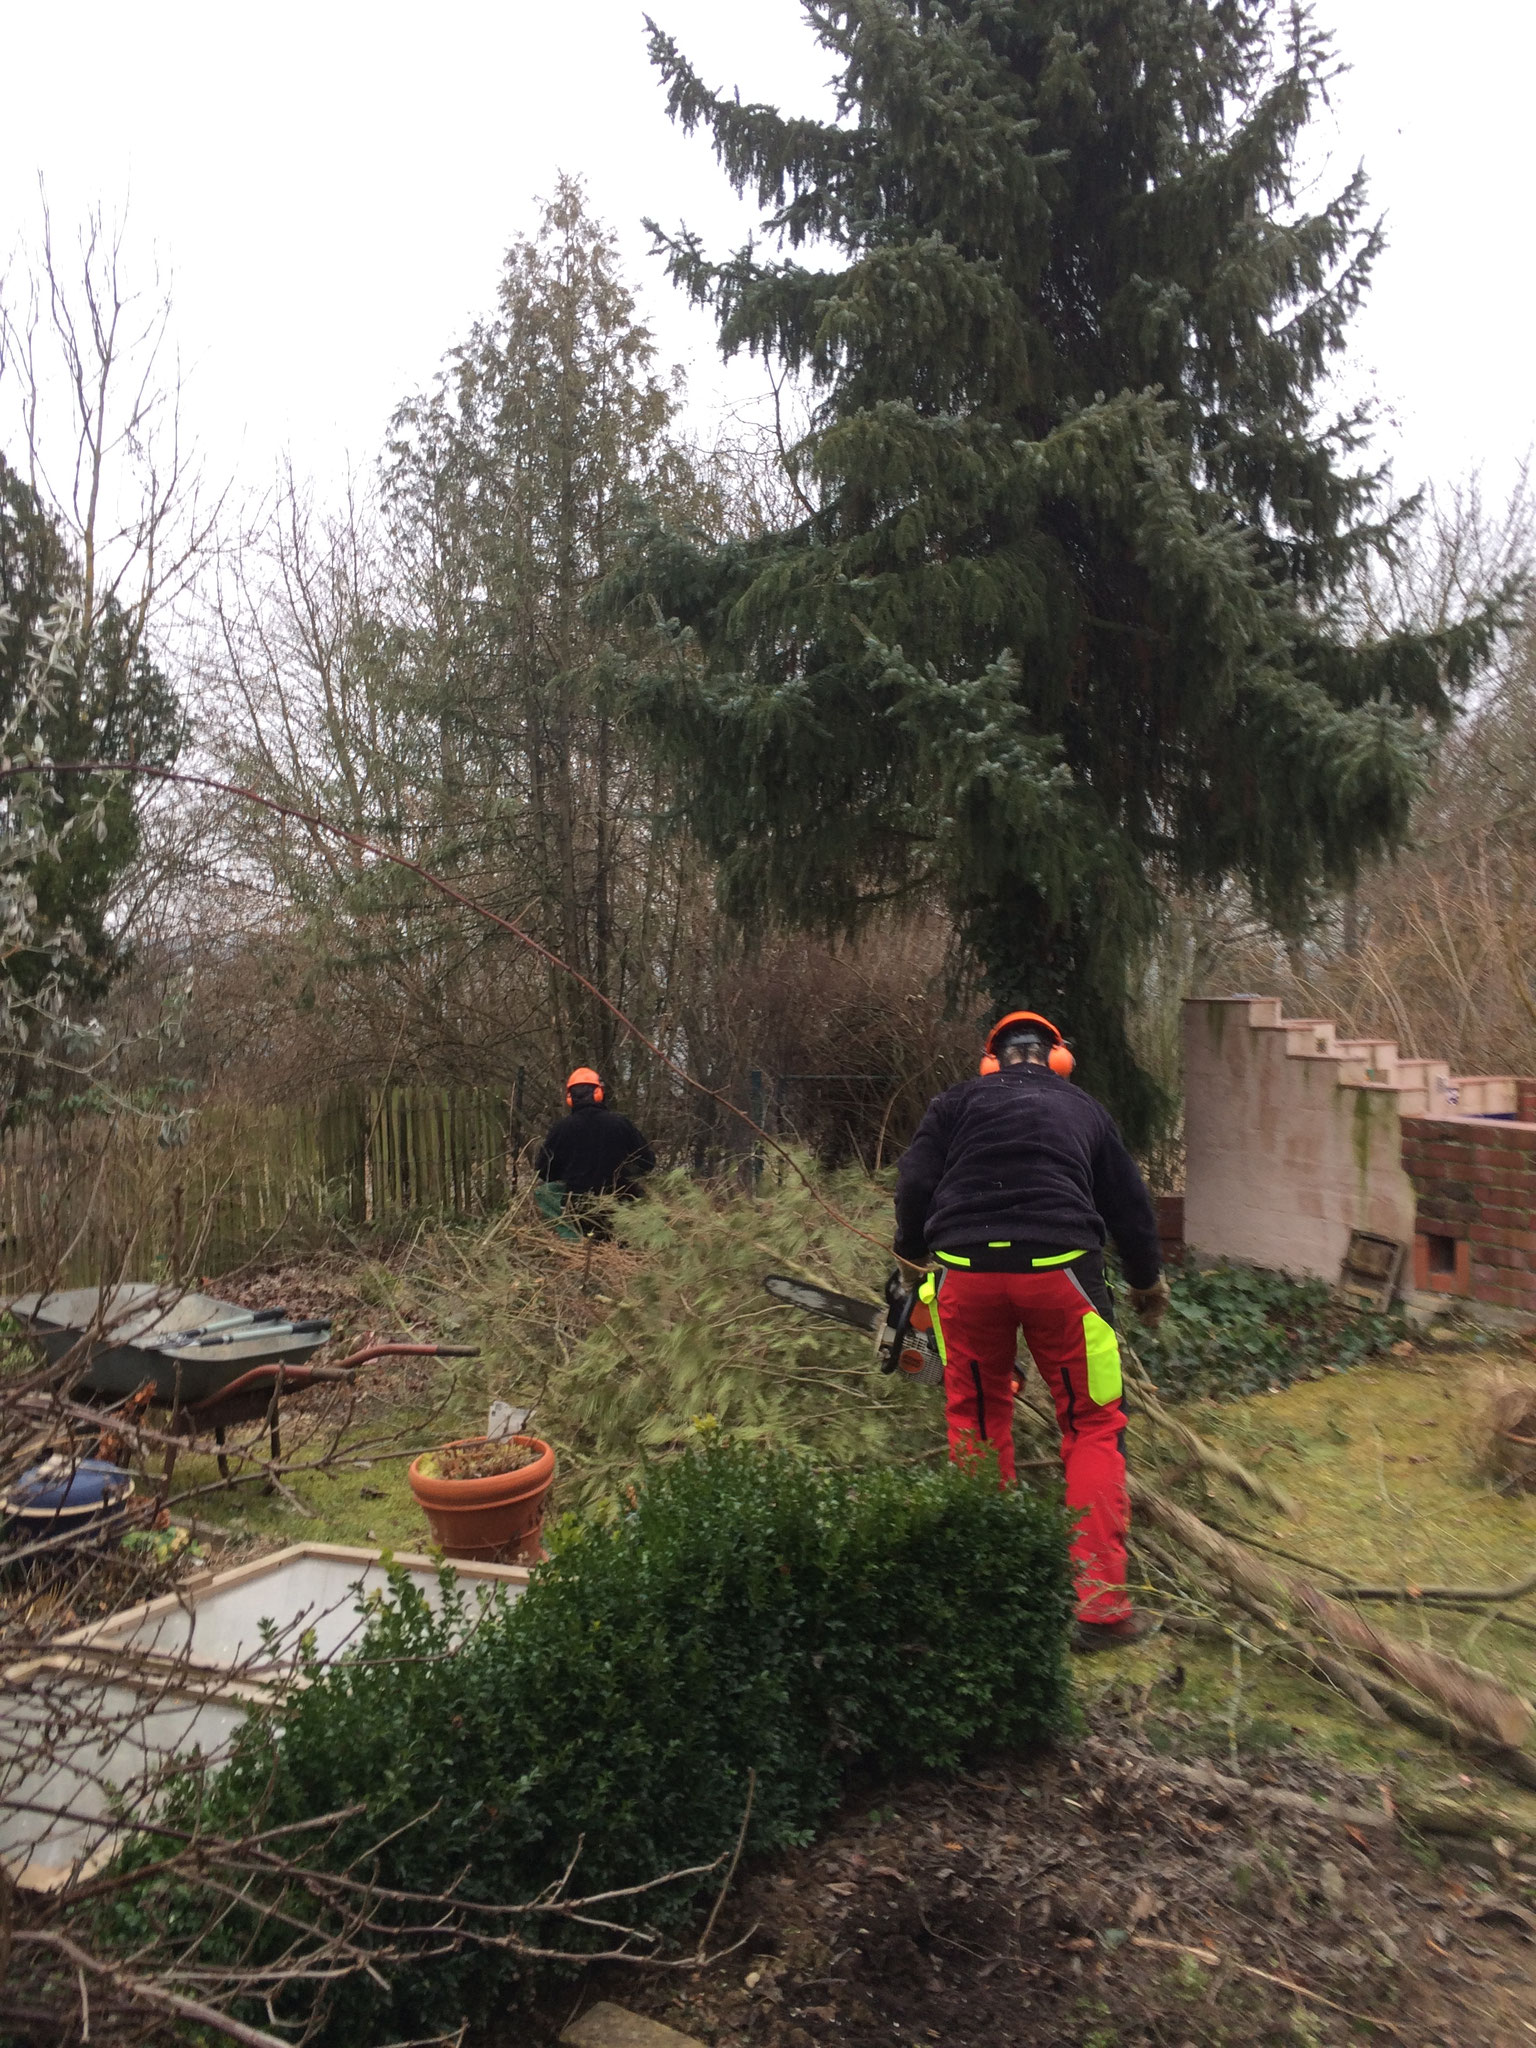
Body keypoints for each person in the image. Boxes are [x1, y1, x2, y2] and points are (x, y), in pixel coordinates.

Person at [893, 1011, 1170, 1650]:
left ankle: (988, 1599)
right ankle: (1099, 1609)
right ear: (1057, 1058)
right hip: (1063, 1273)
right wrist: (1146, 1281)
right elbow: (1131, 1205)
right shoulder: (1085, 1109)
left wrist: (912, 1257)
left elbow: (913, 1181)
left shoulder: (955, 1101)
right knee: (1091, 1423)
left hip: (965, 1270)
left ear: (991, 1061)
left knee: (976, 1415)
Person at [535, 1067, 655, 1236]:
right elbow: (647, 1163)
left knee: (545, 1194)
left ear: (570, 1098)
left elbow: (544, 1171)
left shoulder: (560, 1129)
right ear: (599, 1093)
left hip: (577, 1212)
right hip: (621, 1210)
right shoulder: (620, 1124)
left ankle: (573, 1244)